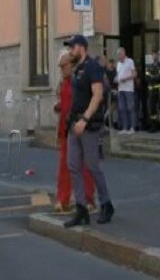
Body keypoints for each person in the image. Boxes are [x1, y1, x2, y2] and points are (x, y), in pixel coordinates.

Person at [63, 35, 115, 228]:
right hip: (74, 123)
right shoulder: (77, 69)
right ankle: (81, 208)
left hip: (89, 125)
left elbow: (98, 95)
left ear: (82, 48)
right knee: (73, 166)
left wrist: (84, 119)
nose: (70, 50)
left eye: (72, 47)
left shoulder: (92, 67)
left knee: (92, 165)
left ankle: (106, 204)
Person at [54, 50, 96, 214]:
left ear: (71, 65)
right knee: (65, 166)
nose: (62, 69)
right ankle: (62, 200)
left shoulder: (80, 81)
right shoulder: (64, 83)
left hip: (80, 126)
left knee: (85, 165)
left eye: (64, 66)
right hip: (66, 128)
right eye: (61, 66)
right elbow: (63, 104)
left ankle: (88, 199)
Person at [115, 47, 137, 134]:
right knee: (122, 108)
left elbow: (135, 74)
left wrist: (126, 78)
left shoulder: (130, 61)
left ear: (123, 54)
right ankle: (125, 127)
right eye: (117, 55)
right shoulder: (118, 64)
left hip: (128, 89)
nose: (118, 56)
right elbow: (118, 75)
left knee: (130, 108)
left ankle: (132, 127)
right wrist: (116, 79)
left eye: (119, 54)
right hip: (120, 88)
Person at [145, 49, 160, 133]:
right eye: (153, 55)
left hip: (159, 91)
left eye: (156, 54)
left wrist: (152, 77)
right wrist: (155, 77)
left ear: (158, 55)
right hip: (151, 91)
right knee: (152, 110)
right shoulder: (148, 66)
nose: (154, 56)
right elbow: (147, 78)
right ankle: (153, 127)